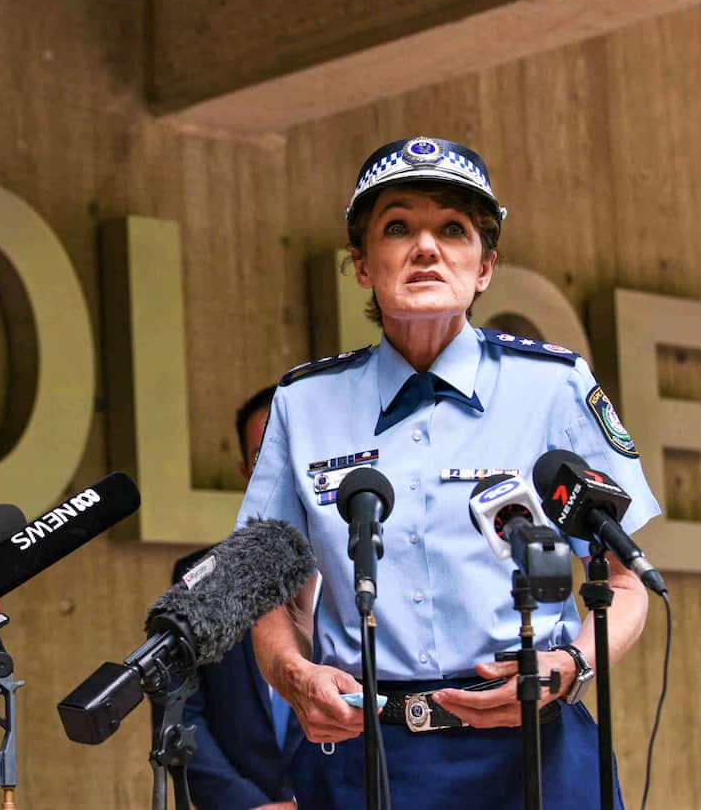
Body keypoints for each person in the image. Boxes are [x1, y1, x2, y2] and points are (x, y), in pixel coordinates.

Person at [238, 137, 660, 808]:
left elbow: (629, 580)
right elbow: (261, 588)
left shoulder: (553, 386)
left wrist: (572, 664)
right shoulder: (304, 403)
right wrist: (292, 675)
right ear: (362, 266)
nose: (426, 247)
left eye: (453, 230)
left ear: (485, 266)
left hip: (536, 746)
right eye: (398, 226)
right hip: (362, 750)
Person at [171, 386, 300, 810]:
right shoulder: (199, 579)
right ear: (246, 471)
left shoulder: (364, 572)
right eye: (264, 456)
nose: (281, 467)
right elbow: (181, 718)